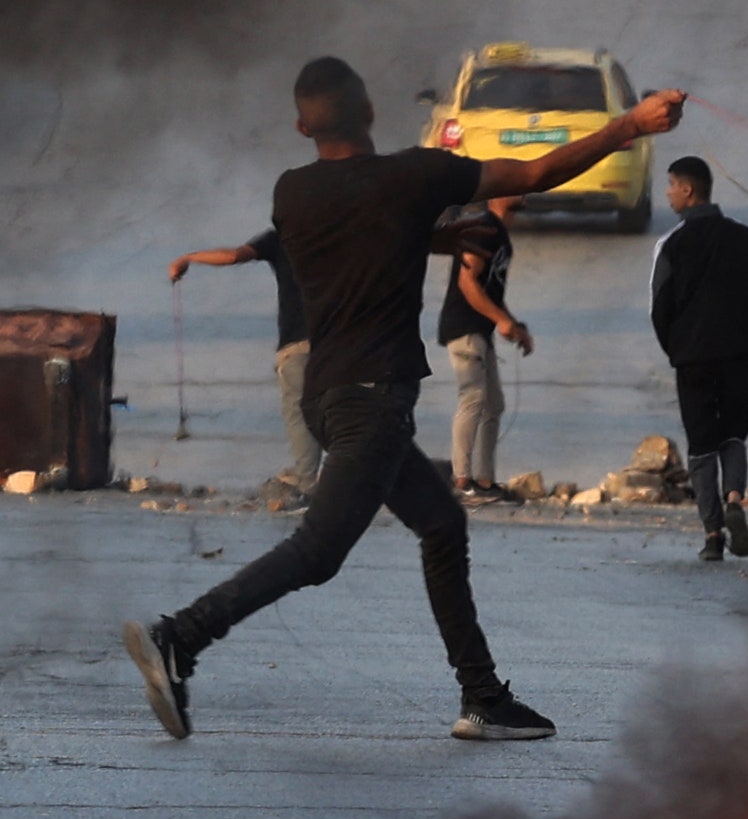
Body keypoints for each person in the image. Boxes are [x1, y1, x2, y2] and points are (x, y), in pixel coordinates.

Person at [125, 57, 684, 741]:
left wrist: (437, 235)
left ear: (302, 125)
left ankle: (481, 695)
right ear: (369, 112)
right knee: (317, 551)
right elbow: (536, 174)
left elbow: (363, 235)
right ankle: (181, 635)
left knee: (443, 525)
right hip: (371, 400)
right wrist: (630, 123)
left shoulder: (292, 191)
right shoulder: (415, 175)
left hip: (324, 396)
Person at [650, 157, 748, 562]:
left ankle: (712, 535)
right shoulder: (743, 237)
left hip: (692, 360)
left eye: (672, 185)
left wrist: (676, 350)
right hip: (737, 355)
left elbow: (659, 309)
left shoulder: (670, 245)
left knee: (701, 446)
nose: (669, 193)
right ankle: (734, 500)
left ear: (689, 190)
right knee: (732, 432)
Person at [169, 228, 321, 496]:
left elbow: (233, 256)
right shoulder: (344, 231)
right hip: (344, 341)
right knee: (341, 410)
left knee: (299, 411)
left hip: (298, 344)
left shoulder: (285, 235)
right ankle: (362, 476)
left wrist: (188, 258)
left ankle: (307, 480)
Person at [437, 195, 530, 501]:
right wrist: (500, 320)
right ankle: (462, 481)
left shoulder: (500, 234)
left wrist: (512, 325)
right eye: (517, 187)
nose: (525, 191)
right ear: (500, 195)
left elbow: (491, 288)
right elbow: (468, 282)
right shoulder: (482, 228)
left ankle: (485, 481)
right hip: (464, 327)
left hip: (481, 329)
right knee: (474, 397)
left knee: (494, 404)